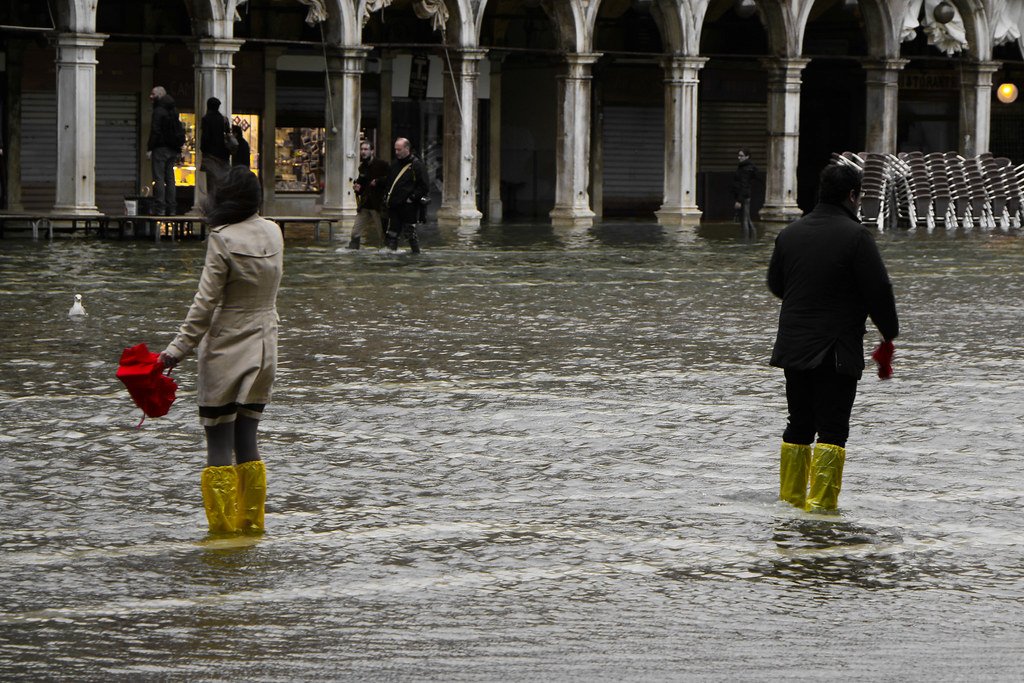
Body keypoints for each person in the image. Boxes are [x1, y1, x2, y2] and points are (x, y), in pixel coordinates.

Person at [157, 166, 283, 535]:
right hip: (266, 345)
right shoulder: (274, 232)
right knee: (248, 440)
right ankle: (252, 525)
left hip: (227, 346)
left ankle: (222, 532)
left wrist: (174, 352)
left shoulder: (223, 239)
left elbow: (204, 305)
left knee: (217, 441)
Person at [767, 162, 899, 513]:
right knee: (832, 430)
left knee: (799, 424)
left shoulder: (789, 235)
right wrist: (890, 334)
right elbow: (879, 291)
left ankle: (792, 502)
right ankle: (822, 511)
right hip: (835, 350)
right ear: (853, 195)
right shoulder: (856, 237)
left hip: (793, 346)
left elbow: (777, 285)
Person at [384, 137, 430, 254]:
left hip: (409, 207)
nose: (396, 152)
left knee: (410, 233)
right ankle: (391, 253)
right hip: (394, 205)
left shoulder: (417, 165)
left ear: (407, 149)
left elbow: (424, 186)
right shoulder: (394, 165)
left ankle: (416, 254)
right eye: (395, 150)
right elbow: (389, 182)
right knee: (392, 233)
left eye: (399, 150)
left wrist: (412, 198)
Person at [146, 86, 182, 216]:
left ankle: (160, 208)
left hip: (160, 148)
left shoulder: (158, 110)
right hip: (173, 148)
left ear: (160, 95)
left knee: (159, 178)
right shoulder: (173, 110)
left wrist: (150, 148)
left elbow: (155, 131)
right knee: (170, 178)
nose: (150, 96)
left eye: (153, 94)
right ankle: (172, 208)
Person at [349, 139, 390, 249]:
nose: (363, 152)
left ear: (372, 151)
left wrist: (378, 181)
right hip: (365, 204)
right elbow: (361, 185)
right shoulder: (362, 167)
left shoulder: (382, 164)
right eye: (362, 149)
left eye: (366, 149)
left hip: (378, 205)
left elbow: (390, 180)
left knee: (383, 234)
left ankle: (386, 251)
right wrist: (357, 187)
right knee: (355, 233)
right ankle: (353, 249)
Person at [200, 97, 231, 205]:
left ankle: (213, 206)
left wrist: (203, 149)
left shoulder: (206, 119)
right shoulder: (224, 119)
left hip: (211, 155)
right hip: (224, 156)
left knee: (211, 184)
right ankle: (222, 204)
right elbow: (228, 135)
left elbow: (205, 138)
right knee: (222, 183)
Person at [732, 148, 759, 236]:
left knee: (744, 220)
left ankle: (746, 240)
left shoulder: (745, 169)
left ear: (747, 156)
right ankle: (751, 238)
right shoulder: (745, 167)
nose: (739, 157)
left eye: (741, 156)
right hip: (745, 195)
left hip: (743, 196)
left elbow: (744, 185)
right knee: (746, 218)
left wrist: (739, 200)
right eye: (738, 155)